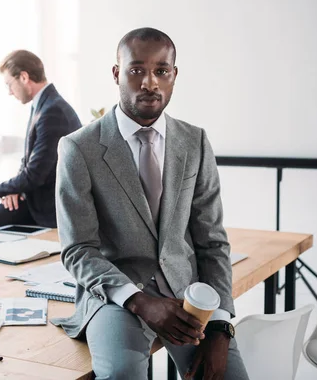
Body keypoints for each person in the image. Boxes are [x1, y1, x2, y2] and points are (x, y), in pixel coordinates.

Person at [52, 28, 249, 379]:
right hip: (117, 295)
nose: (149, 83)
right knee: (123, 372)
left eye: (161, 71)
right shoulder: (78, 148)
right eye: (136, 70)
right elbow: (78, 249)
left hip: (189, 296)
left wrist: (220, 325)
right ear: (117, 74)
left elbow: (213, 242)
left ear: (174, 76)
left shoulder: (195, 142)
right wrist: (140, 301)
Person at [0, 50, 81, 236]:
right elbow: (30, 161)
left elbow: (35, 174)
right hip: (33, 198)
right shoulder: (45, 104)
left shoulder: (52, 111)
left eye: (10, 84)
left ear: (24, 77)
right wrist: (15, 189)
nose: (9, 92)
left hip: (46, 210)